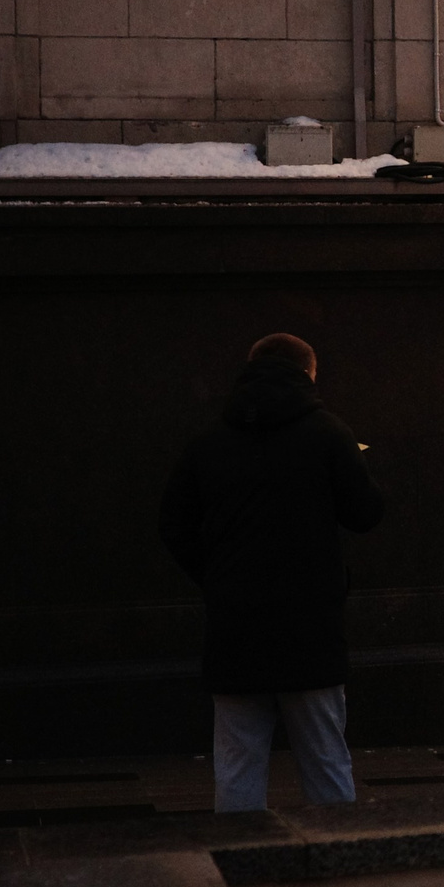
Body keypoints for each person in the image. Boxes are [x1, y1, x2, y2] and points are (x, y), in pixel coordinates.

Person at [160, 333, 383, 813]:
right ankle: (340, 868)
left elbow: (173, 524)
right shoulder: (328, 432)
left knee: (238, 762)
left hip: (235, 622)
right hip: (310, 622)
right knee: (325, 759)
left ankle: (241, 868)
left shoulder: (209, 441)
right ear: (310, 373)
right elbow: (365, 514)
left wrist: (215, 575)